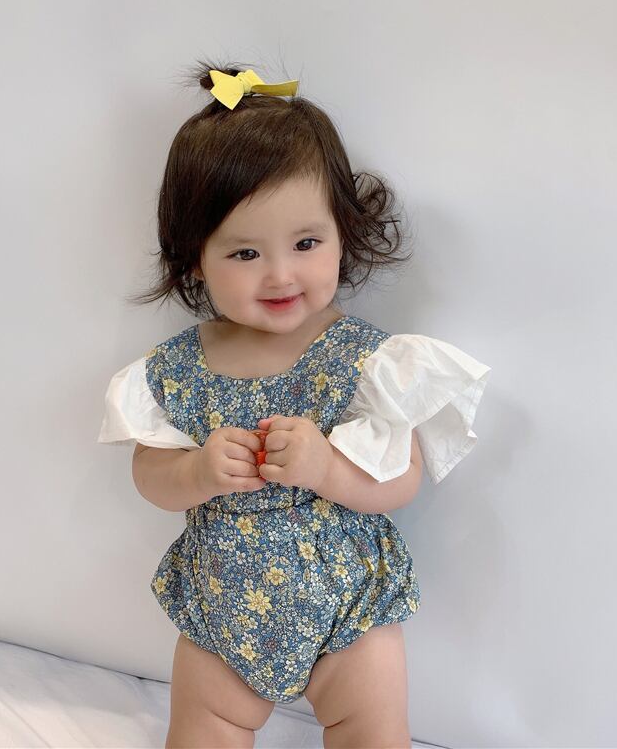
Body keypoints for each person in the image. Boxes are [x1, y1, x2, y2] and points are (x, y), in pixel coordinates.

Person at [97, 59, 492, 749]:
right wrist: (194, 471)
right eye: (245, 254)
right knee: (202, 730)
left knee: (372, 731)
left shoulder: (368, 364)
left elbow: (402, 478)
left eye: (306, 243)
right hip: (224, 612)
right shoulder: (180, 369)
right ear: (196, 259)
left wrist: (328, 469)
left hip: (348, 613)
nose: (280, 274)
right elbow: (148, 473)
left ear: (342, 233)